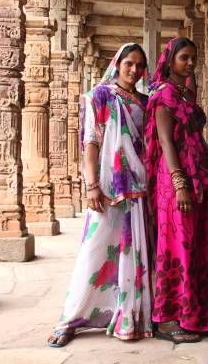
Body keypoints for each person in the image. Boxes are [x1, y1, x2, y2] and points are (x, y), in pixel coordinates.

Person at [48, 43, 153, 347]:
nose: (134, 70)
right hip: (110, 185)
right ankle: (70, 318)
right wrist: (92, 184)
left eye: (139, 65)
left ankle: (129, 313)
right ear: (118, 64)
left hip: (140, 185)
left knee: (134, 250)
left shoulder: (145, 102)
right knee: (96, 248)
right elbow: (91, 141)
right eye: (129, 63)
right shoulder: (101, 96)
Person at [145, 37, 208, 343]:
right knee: (177, 246)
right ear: (170, 61)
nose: (190, 63)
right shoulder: (163, 95)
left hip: (200, 177)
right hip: (175, 181)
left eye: (193, 57)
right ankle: (167, 319)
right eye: (184, 58)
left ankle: (201, 314)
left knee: (199, 243)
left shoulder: (187, 94)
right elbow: (166, 141)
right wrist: (180, 183)